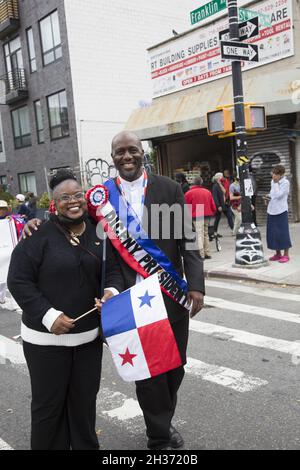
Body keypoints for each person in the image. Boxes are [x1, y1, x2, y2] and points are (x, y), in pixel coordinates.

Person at [23, 132, 205, 450]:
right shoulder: (100, 197)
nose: (126, 156)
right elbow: (69, 215)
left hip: (169, 293)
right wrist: (36, 222)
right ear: (112, 157)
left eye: (132, 150)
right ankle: (159, 434)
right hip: (125, 300)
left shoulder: (168, 188)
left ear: (142, 153)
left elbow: (186, 239)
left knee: (175, 366)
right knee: (149, 372)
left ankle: (162, 418)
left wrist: (197, 285)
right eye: (119, 152)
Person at [7, 169, 123, 450]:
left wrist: (110, 293)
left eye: (77, 195)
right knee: (49, 410)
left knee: (84, 407)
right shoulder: (37, 235)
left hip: (88, 342)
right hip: (45, 344)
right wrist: (49, 316)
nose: (72, 201)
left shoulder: (100, 233)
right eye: (64, 197)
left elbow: (114, 273)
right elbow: (18, 280)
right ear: (54, 203)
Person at [264, 164, 292, 263]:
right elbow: (273, 194)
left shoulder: (285, 183)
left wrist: (275, 184)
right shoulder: (273, 182)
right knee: (273, 233)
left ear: (281, 175)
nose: (273, 176)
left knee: (283, 232)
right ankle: (277, 253)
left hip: (281, 211)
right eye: (273, 174)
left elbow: (280, 195)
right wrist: (268, 197)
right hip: (271, 210)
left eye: (275, 174)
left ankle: (286, 254)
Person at [184, 177, 216, 259]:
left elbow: (186, 206)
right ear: (201, 183)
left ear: (193, 183)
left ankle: (201, 254)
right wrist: (213, 211)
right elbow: (213, 205)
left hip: (197, 214)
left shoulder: (189, 193)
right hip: (207, 214)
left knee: (199, 234)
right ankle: (207, 252)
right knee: (205, 233)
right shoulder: (207, 192)